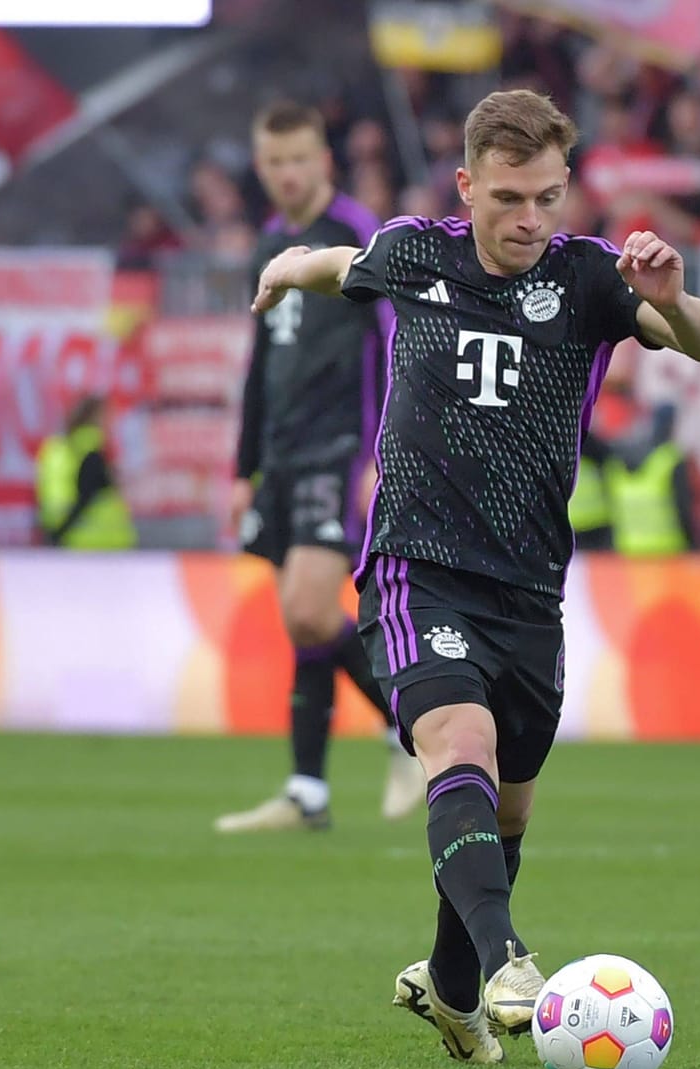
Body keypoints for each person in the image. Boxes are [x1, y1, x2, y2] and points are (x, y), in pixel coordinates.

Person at [249, 89, 700, 1062]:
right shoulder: (416, 252)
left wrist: (674, 301)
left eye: (548, 197)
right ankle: (509, 958)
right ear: (468, 188)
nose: (529, 220)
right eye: (509, 198)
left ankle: (452, 985)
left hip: (529, 591)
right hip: (418, 567)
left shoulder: (589, 279)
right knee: (454, 739)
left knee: (505, 807)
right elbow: (340, 265)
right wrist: (288, 269)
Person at [214, 101, 422, 834]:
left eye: (300, 158)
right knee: (301, 628)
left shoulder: (356, 234)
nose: (287, 174)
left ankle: (411, 735)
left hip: (342, 445)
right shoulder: (268, 243)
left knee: (309, 608)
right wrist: (246, 465)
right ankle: (307, 790)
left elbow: (396, 342)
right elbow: (260, 362)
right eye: (274, 162)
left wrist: (380, 452)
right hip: (282, 454)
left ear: (324, 160)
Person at [35, 396, 135, 550]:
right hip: (96, 543)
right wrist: (60, 532)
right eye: (109, 417)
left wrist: (55, 534)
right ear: (96, 417)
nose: (112, 423)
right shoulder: (90, 453)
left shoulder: (58, 447)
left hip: (73, 541)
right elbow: (85, 497)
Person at [604, 402, 697, 556]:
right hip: (668, 553)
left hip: (627, 552)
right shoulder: (670, 459)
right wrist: (694, 546)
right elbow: (683, 510)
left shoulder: (617, 461)